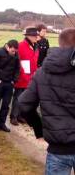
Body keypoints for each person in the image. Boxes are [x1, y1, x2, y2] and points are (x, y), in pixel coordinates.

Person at [18, 28, 75, 175]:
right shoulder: (43, 72)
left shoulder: (42, 72)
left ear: (60, 43)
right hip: (59, 149)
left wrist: (39, 128)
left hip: (57, 149)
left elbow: (24, 104)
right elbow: (24, 104)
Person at [0, 40, 20, 132]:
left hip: (9, 83)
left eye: (15, 51)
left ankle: (2, 123)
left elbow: (18, 68)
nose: (14, 53)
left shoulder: (16, 54)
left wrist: (14, 80)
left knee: (6, 105)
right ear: (7, 47)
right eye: (12, 51)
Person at [10, 27, 39, 126]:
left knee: (25, 98)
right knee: (18, 97)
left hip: (31, 77)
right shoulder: (21, 46)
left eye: (36, 36)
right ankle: (13, 116)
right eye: (35, 36)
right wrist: (22, 74)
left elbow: (34, 61)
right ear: (29, 36)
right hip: (21, 76)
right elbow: (17, 62)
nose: (36, 37)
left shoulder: (35, 46)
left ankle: (20, 116)